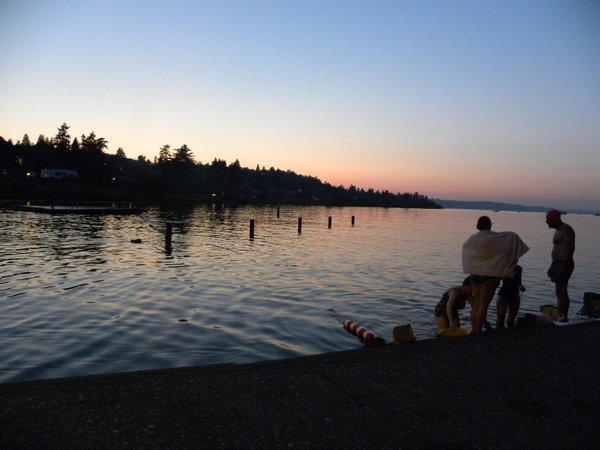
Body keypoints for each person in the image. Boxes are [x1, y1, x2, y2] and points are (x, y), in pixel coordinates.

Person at [462, 216, 529, 334]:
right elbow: (510, 238)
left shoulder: (472, 239)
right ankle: (477, 332)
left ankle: (474, 330)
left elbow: (466, 250)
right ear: (489, 225)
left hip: (475, 274)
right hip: (490, 275)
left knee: (477, 303)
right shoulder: (496, 238)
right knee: (483, 305)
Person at [545, 209, 575, 321]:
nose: (546, 222)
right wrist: (552, 266)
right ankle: (561, 315)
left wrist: (563, 267)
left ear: (555, 219)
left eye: (548, 219)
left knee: (561, 291)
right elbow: (557, 248)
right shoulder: (558, 230)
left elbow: (570, 249)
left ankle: (562, 316)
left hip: (564, 263)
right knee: (559, 291)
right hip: (557, 263)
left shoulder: (566, 230)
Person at [496, 264, 525, 329]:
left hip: (515, 295)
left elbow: (519, 282)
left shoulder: (519, 268)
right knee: (500, 321)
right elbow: (497, 282)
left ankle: (509, 336)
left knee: (511, 321)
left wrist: (521, 287)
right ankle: (498, 335)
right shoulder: (503, 268)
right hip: (503, 295)